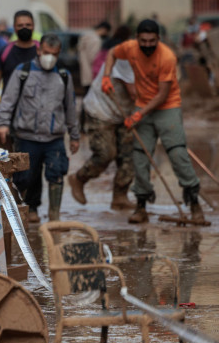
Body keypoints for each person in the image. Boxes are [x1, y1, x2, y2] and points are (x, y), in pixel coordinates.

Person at [103, 19, 204, 224]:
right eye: (143, 41)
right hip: (143, 105)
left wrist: (138, 115)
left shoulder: (167, 56)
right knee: (140, 158)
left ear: (158, 39)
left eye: (152, 41)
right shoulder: (130, 48)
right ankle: (141, 207)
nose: (147, 45)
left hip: (167, 106)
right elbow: (112, 53)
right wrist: (106, 76)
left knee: (177, 155)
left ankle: (195, 205)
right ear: (137, 39)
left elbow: (162, 94)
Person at [0, 34, 79, 222]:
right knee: (25, 177)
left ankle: (54, 217)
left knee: (56, 174)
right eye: (46, 53)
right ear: (39, 50)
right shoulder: (22, 71)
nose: (50, 57)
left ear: (59, 54)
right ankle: (28, 211)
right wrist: (2, 124)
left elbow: (70, 107)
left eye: (54, 54)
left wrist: (74, 136)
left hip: (54, 137)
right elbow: (8, 100)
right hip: (26, 136)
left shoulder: (64, 76)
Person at [0, 9, 42, 221]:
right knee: (10, 160)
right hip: (9, 114)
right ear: (14, 27)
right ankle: (12, 202)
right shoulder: (6, 51)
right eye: (20, 25)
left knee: (34, 161)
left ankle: (32, 206)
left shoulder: (41, 51)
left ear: (34, 26)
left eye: (28, 25)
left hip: (36, 116)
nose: (24, 28)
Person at [69, 58, 135, 210]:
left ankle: (120, 196)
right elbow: (135, 93)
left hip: (126, 112)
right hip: (100, 110)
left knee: (129, 156)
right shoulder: (126, 58)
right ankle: (79, 178)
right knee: (106, 153)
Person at [77, 21, 112, 88]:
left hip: (84, 71)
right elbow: (94, 58)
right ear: (104, 30)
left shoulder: (86, 36)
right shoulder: (96, 40)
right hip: (92, 74)